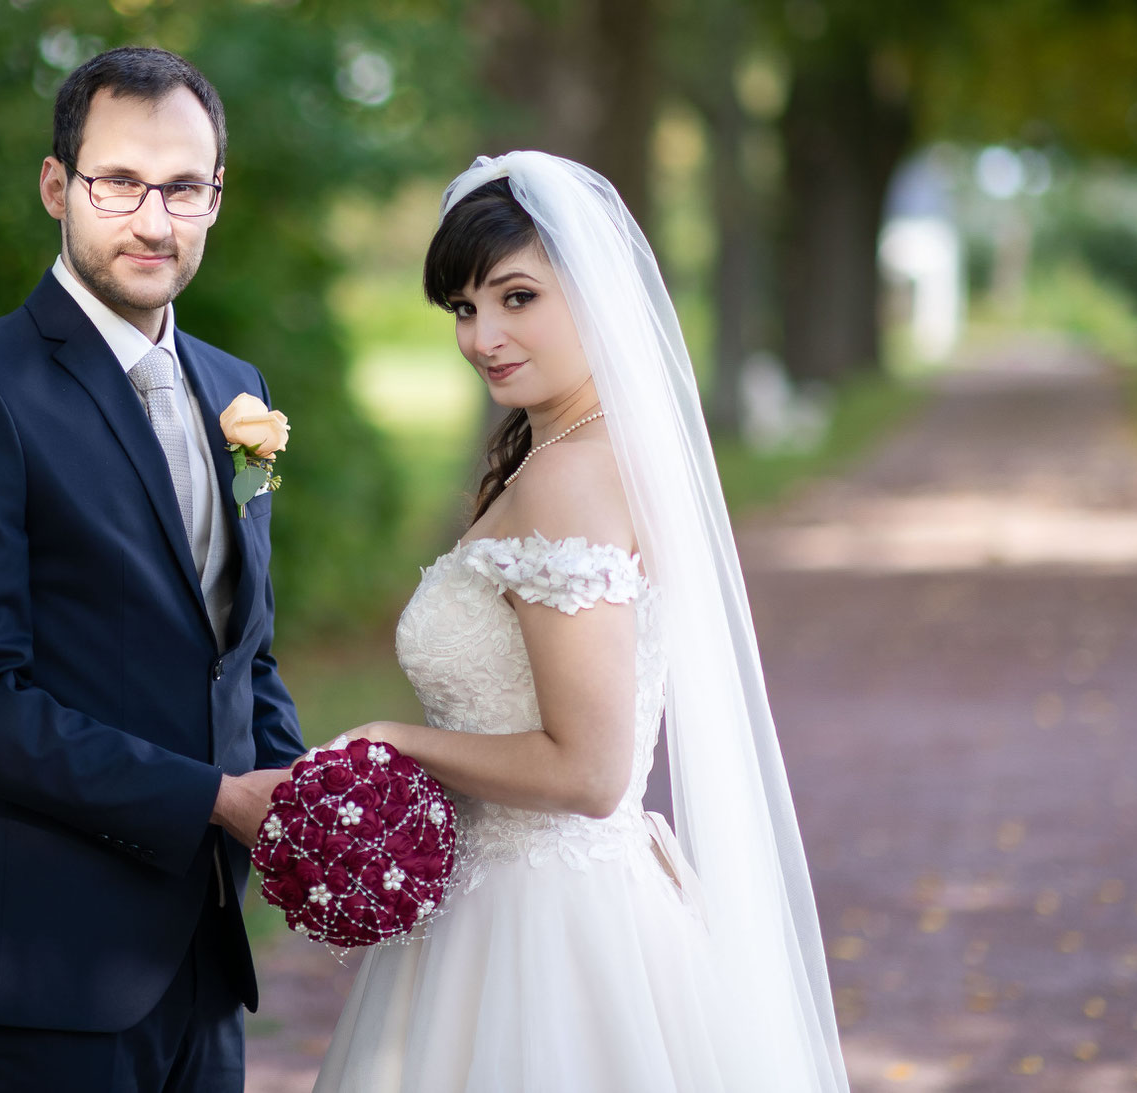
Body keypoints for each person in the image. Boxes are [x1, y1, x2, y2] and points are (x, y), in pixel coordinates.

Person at [313, 153, 850, 1092]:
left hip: (542, 926)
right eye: (465, 309)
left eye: (518, 298)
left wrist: (394, 740)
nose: (484, 335)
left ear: (596, 293)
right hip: (527, 904)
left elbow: (591, 770)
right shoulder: (581, 452)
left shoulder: (569, 474)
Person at [0, 46, 302, 1092]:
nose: (154, 221)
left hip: (203, 959)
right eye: (119, 182)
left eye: (183, 188)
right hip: (46, 971)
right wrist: (212, 799)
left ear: (215, 195)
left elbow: (240, 648)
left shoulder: (232, 386)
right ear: (57, 185)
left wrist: (308, 801)